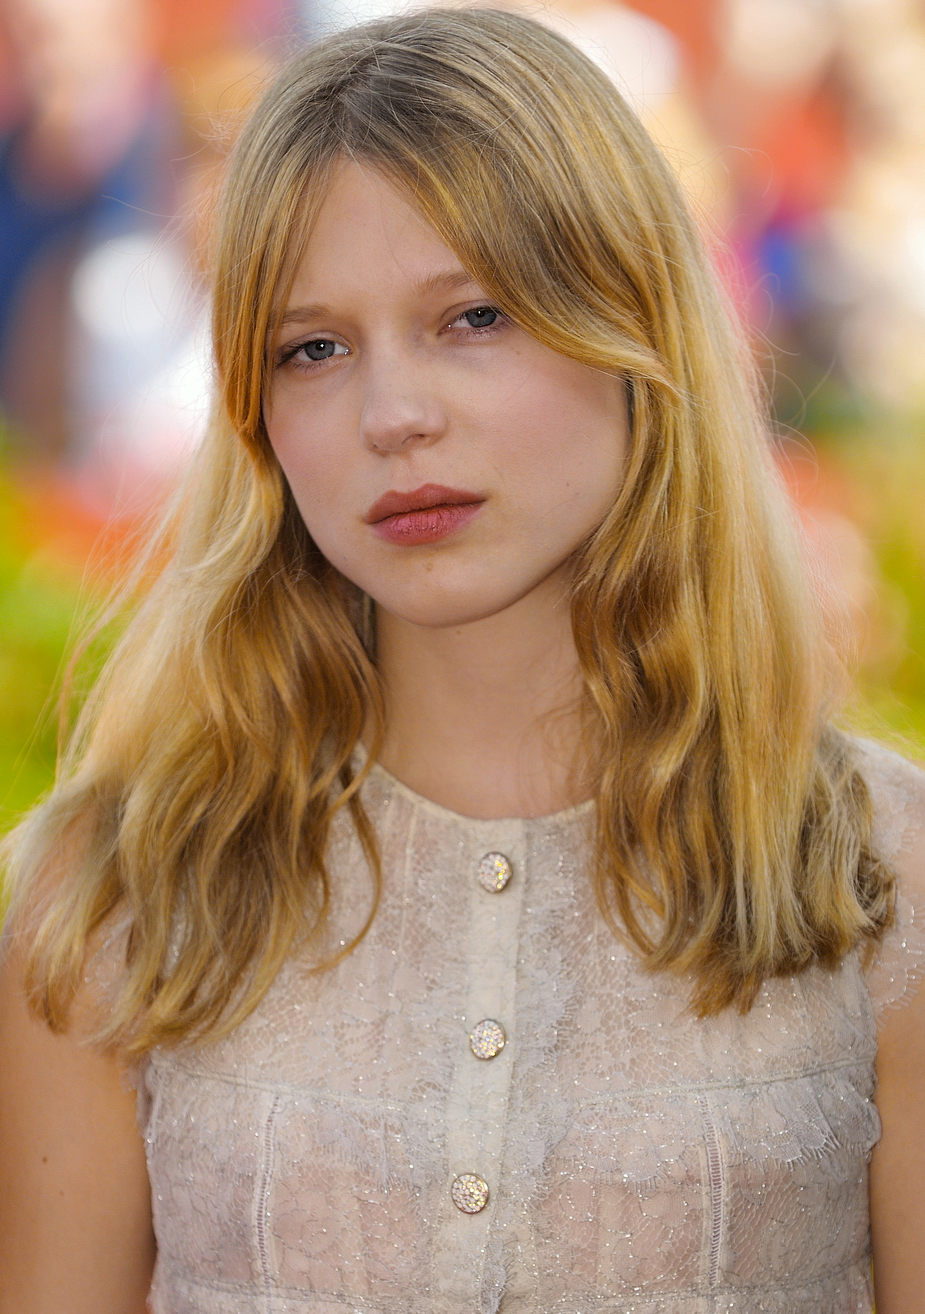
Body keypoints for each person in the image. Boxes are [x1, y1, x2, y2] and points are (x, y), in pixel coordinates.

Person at [1, 9, 923, 1312]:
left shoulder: (890, 878)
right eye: (309, 348)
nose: (393, 415)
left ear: (635, 326)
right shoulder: (97, 899)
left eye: (473, 315)